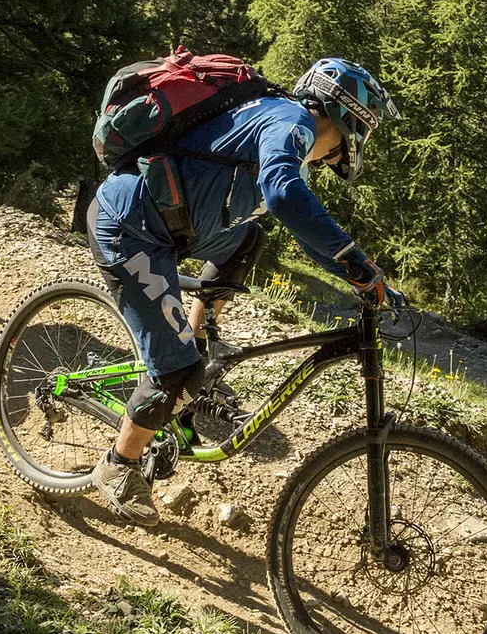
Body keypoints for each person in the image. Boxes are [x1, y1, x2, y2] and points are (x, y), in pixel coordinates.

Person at [87, 56, 402, 526]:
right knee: (175, 375)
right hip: (130, 230)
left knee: (250, 235)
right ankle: (118, 464)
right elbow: (283, 195)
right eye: (361, 131)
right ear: (344, 119)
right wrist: (357, 264)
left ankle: (196, 331)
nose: (355, 146)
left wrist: (357, 274)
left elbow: (297, 219)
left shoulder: (280, 131)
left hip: (178, 228)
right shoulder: (290, 120)